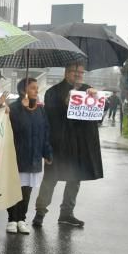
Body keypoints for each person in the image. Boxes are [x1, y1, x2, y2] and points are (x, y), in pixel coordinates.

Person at [34, 62, 102, 228]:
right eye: (74, 72)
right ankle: (40, 213)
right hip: (59, 144)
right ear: (66, 73)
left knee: (75, 179)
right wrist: (65, 104)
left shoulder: (88, 90)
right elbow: (48, 117)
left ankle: (66, 213)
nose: (78, 75)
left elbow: (99, 114)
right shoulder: (53, 92)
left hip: (80, 145)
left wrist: (97, 97)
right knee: (50, 179)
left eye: (81, 72)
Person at [7, 78, 53, 235]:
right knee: (15, 188)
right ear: (23, 91)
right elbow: (11, 131)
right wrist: (22, 109)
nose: (36, 90)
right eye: (33, 88)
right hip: (17, 155)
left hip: (34, 157)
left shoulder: (40, 110)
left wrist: (47, 152)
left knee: (27, 190)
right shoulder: (13, 109)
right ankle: (12, 219)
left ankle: (22, 219)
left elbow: (45, 132)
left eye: (37, 88)